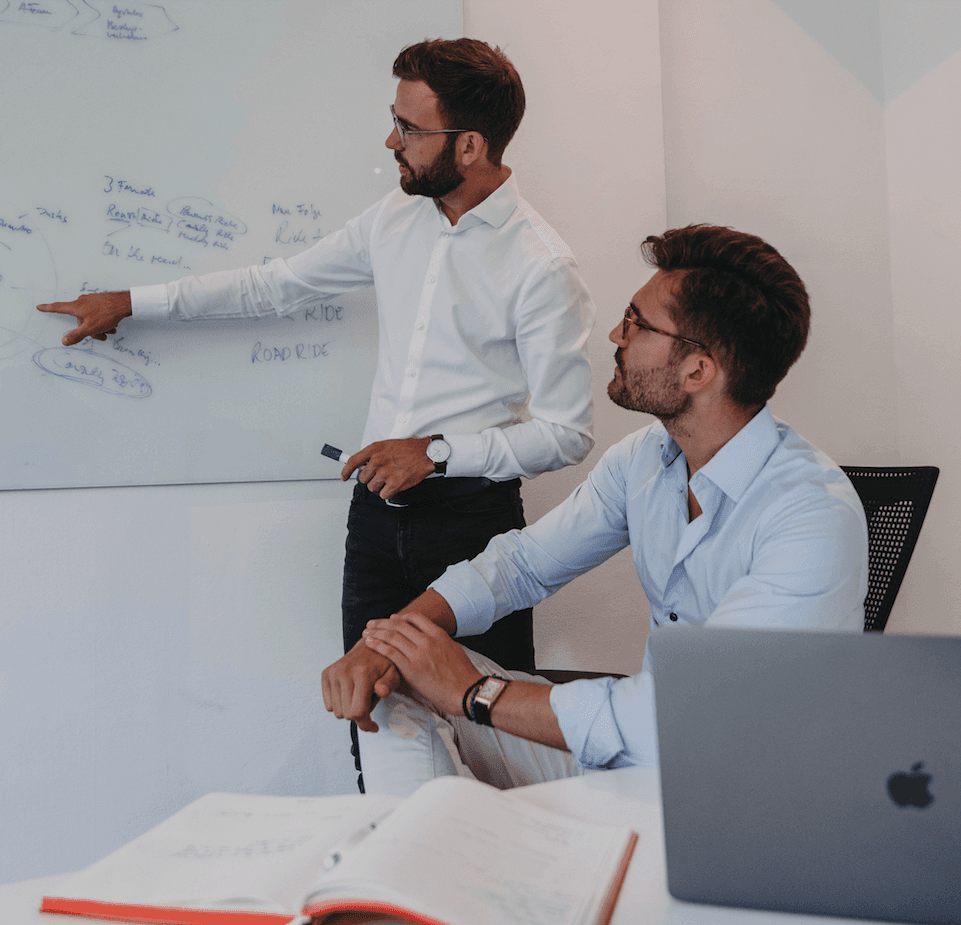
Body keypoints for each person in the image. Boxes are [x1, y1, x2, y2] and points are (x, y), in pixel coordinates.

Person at [36, 40, 595, 711]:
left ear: (470, 145)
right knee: (370, 714)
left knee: (491, 732)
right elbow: (277, 286)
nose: (392, 140)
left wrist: (438, 453)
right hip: (374, 519)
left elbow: (567, 433)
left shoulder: (540, 265)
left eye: (411, 129)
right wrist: (133, 302)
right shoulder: (393, 218)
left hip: (472, 529)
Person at [321, 223, 870, 797]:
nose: (616, 333)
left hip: (738, 798)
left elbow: (694, 719)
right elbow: (520, 565)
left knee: (435, 680)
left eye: (637, 323)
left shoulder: (810, 516)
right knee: (395, 676)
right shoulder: (646, 460)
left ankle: (442, 861)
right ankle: (414, 871)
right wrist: (382, 644)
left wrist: (476, 693)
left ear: (698, 370)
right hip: (634, 767)